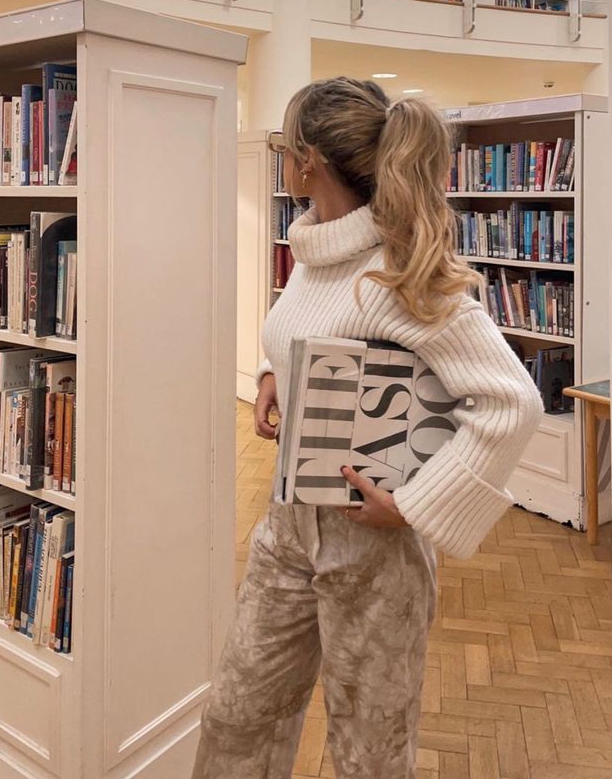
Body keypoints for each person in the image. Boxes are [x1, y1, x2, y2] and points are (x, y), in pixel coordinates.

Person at [192, 78, 544, 779]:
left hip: (374, 549)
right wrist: (273, 372)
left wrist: (413, 506)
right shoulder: (316, 251)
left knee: (369, 752)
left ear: (306, 162)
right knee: (235, 715)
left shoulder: (400, 272)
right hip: (287, 530)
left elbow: (511, 402)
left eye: (286, 150)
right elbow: (304, 330)